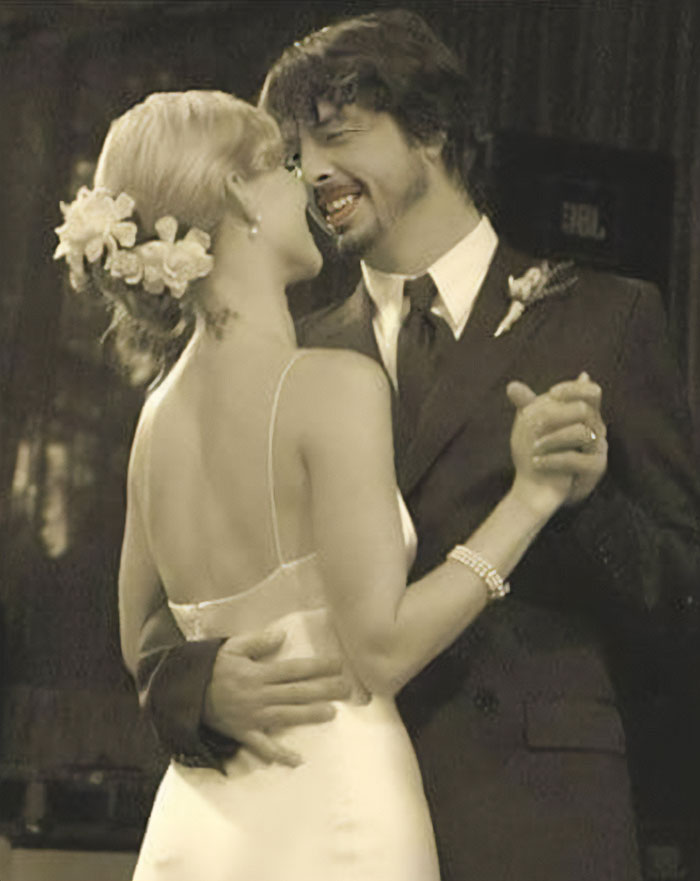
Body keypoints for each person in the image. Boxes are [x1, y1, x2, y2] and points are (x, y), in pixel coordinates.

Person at [122, 11, 700, 881]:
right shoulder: (294, 355)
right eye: (292, 152)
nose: (314, 172)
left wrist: (585, 505)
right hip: (325, 806)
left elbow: (681, 593)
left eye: (335, 136)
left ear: (429, 132)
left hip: (537, 819)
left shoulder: (608, 317)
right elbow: (172, 605)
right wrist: (198, 688)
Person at [54, 90, 607, 879]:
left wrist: (207, 687)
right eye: (283, 165)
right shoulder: (332, 386)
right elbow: (380, 651)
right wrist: (530, 499)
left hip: (201, 822)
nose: (304, 184)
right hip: (338, 808)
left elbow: (137, 636)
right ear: (240, 193)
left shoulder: (153, 422)